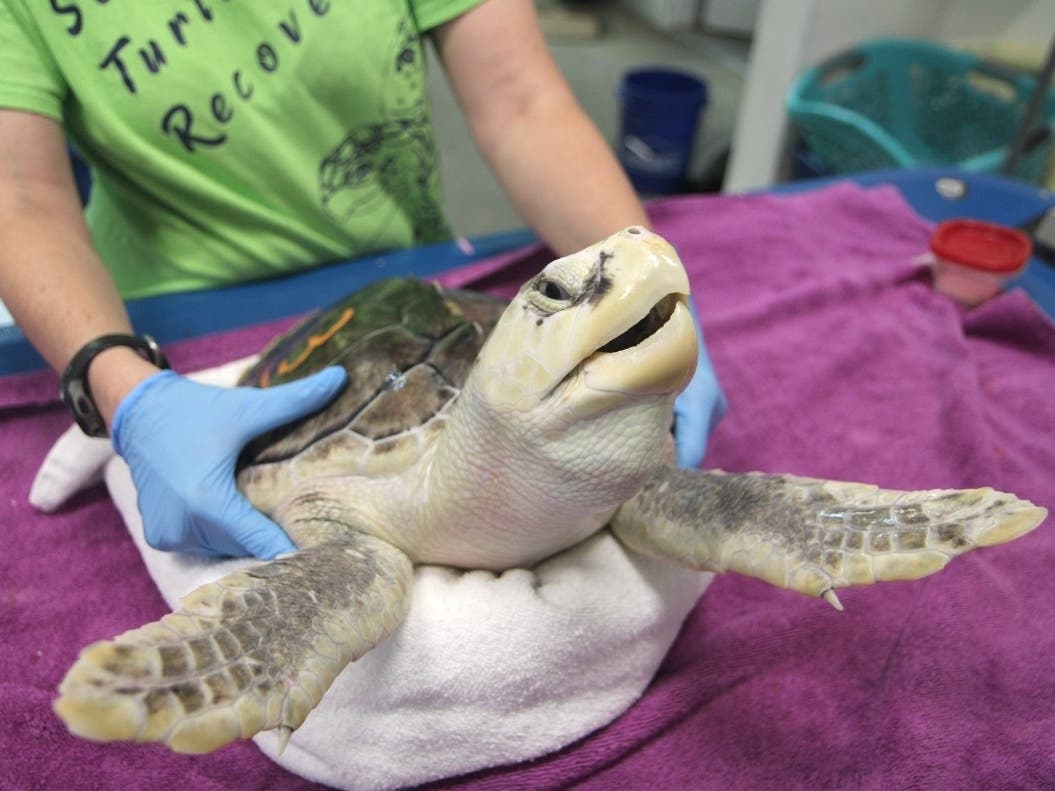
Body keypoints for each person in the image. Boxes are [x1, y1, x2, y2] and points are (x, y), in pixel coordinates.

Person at [0, 0, 725, 560]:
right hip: (179, 327)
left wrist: (638, 309)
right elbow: (21, 194)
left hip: (411, 296)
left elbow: (521, 101)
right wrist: (122, 388)